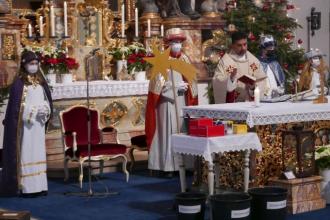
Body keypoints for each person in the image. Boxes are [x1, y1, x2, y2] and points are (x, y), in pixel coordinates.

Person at [145, 28, 198, 173]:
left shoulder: (184, 58)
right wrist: (173, 88)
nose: (178, 45)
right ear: (168, 43)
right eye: (175, 42)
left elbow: (192, 80)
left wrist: (187, 87)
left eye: (180, 42)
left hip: (182, 101)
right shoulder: (162, 60)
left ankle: (186, 165)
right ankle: (168, 167)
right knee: (168, 133)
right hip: (166, 103)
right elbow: (157, 86)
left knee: (182, 130)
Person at [0, 50, 53, 197]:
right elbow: (17, 109)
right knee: (27, 153)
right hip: (25, 127)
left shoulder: (41, 83)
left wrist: (45, 110)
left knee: (39, 154)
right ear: (24, 65)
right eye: (31, 63)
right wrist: (34, 111)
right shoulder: (19, 84)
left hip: (38, 125)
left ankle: (41, 186)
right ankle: (28, 188)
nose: (34, 66)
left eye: (36, 63)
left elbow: (46, 101)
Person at [212, 32, 268, 103]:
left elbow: (261, 82)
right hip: (234, 105)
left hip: (250, 103)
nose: (243, 48)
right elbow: (217, 81)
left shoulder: (253, 61)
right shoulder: (226, 62)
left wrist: (253, 88)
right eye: (239, 45)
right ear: (232, 46)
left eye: (245, 44)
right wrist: (231, 79)